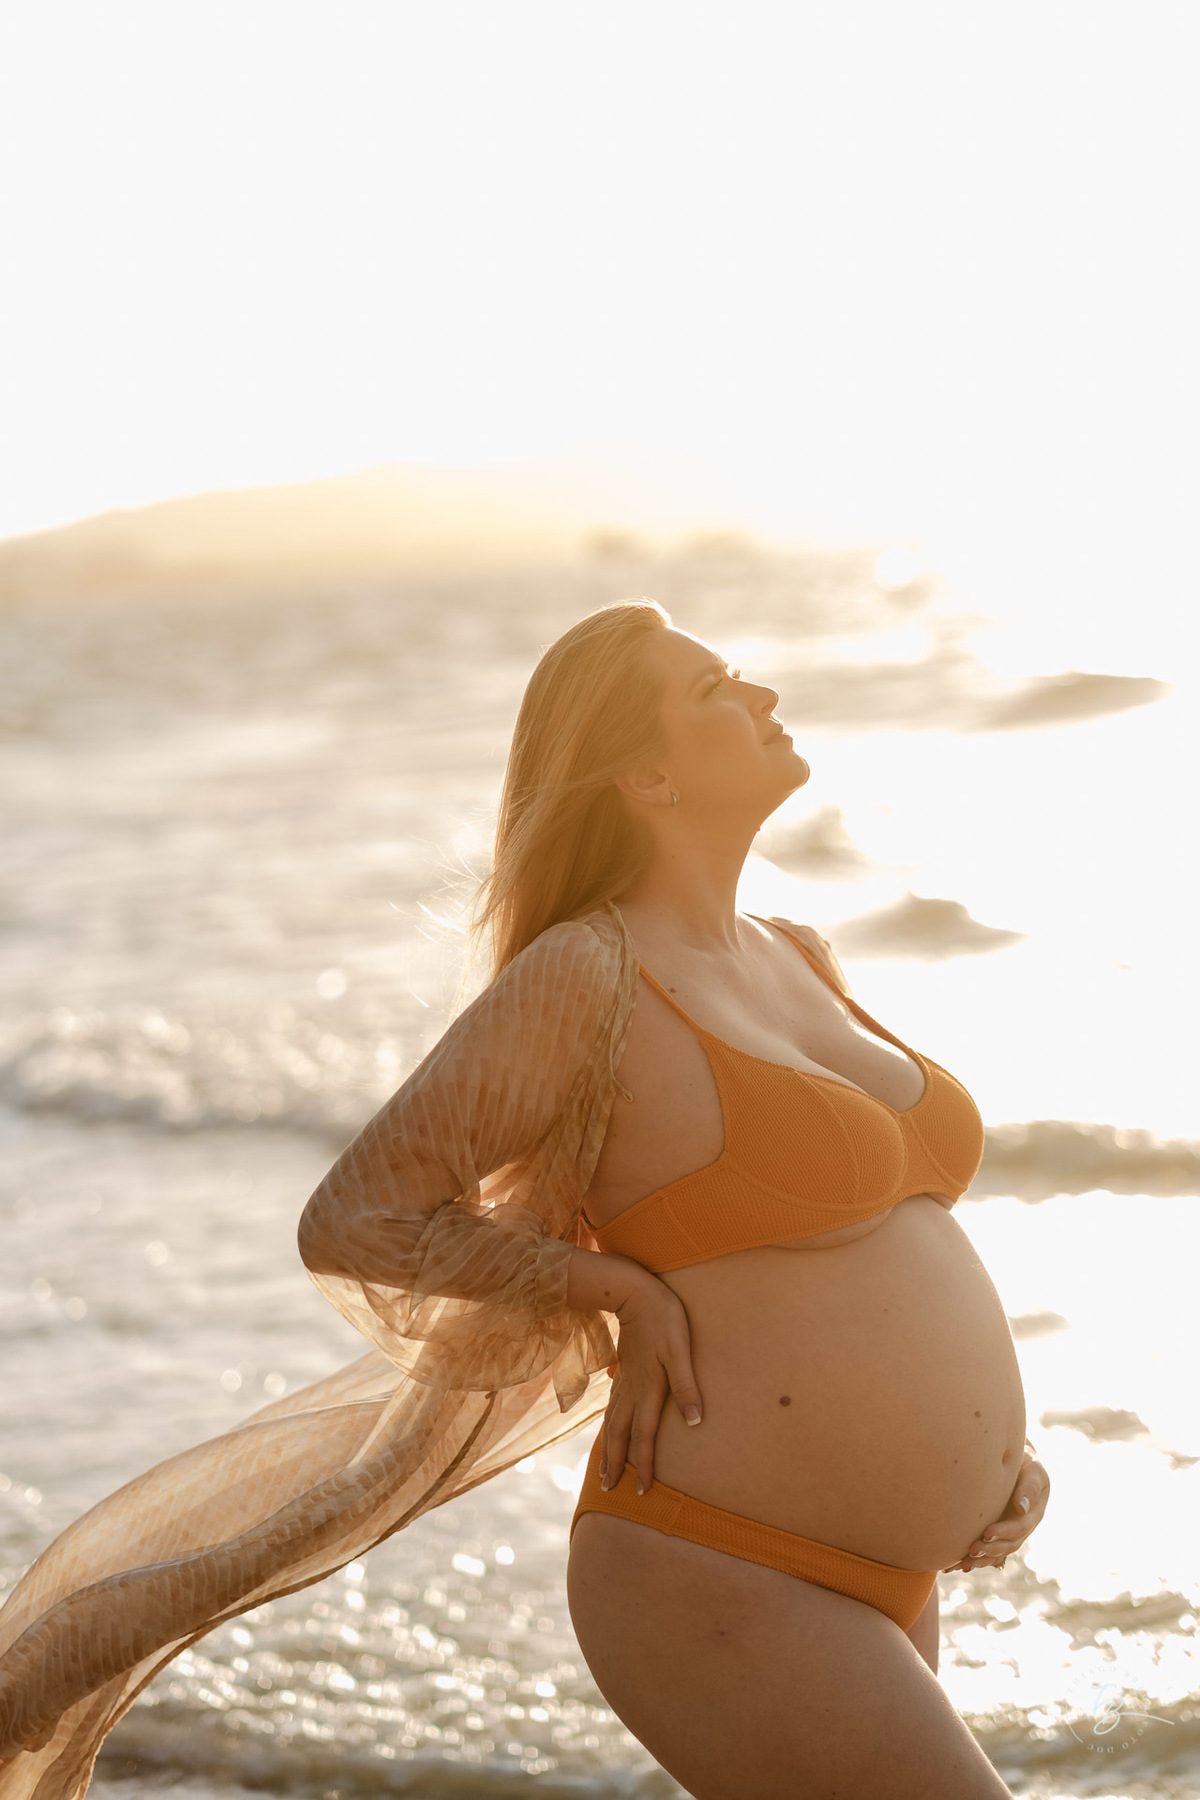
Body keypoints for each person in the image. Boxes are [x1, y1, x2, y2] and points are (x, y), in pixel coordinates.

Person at [0, 598, 1049, 1799]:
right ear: (646, 776)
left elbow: (885, 1246)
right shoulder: (585, 973)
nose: (763, 695)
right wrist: (607, 1286)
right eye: (715, 688)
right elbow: (356, 1216)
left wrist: (996, 1458)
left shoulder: (798, 952)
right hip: (723, 1567)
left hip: (884, 1579)